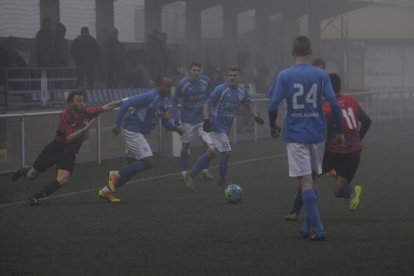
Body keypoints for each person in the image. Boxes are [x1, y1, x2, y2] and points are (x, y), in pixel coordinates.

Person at [268, 35, 345, 241]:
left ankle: (318, 228)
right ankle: (306, 225)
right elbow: (334, 104)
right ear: (310, 52)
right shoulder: (320, 74)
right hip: (318, 134)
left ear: (292, 52)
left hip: (296, 134)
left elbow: (273, 105)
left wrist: (272, 125)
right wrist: (339, 131)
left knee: (305, 181)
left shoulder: (284, 75)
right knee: (313, 179)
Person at [284, 73, 372, 220]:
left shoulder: (326, 107)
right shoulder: (351, 100)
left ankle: (294, 211)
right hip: (353, 153)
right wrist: (357, 139)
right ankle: (352, 193)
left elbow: (320, 132)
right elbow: (367, 120)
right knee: (338, 190)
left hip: (332, 151)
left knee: (308, 178)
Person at [11, 90, 122, 205]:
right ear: (70, 103)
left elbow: (108, 106)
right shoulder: (65, 115)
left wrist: (126, 101)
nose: (82, 103)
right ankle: (21, 170)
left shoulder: (88, 112)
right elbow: (69, 138)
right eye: (78, 101)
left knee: (63, 179)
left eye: (82, 101)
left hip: (69, 153)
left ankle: (34, 197)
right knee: (31, 175)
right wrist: (84, 129)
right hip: (56, 148)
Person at [98, 75, 184, 202]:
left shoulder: (165, 103)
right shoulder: (150, 96)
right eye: (166, 86)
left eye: (170, 86)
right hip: (132, 131)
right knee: (148, 162)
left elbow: (165, 122)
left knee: (131, 170)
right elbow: (127, 103)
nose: (169, 89)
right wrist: (117, 123)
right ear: (158, 85)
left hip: (139, 134)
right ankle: (115, 174)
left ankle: (106, 191)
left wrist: (177, 129)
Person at [183, 65, 264, 192]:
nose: (232, 78)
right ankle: (222, 180)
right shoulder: (220, 89)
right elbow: (206, 105)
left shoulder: (242, 92)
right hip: (215, 125)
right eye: (230, 75)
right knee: (225, 153)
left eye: (235, 75)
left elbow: (248, 105)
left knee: (211, 153)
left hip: (226, 127)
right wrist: (206, 120)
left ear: (239, 77)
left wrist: (255, 116)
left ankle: (191, 175)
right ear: (227, 76)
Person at [171, 62, 214, 181]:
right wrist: (176, 119)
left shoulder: (206, 81)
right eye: (194, 70)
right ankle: (184, 172)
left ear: (201, 71)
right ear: (189, 71)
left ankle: (206, 170)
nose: (196, 73)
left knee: (208, 145)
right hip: (188, 120)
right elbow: (174, 102)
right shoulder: (182, 84)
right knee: (185, 146)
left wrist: (211, 113)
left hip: (202, 119)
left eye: (198, 70)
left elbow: (211, 96)